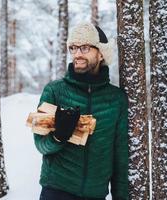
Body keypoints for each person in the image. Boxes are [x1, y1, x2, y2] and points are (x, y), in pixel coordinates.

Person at [34, 22, 129, 200]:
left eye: (84, 47)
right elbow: (40, 144)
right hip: (56, 191)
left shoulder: (116, 99)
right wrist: (58, 137)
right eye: (73, 48)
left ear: (101, 53)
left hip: (96, 194)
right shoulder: (54, 91)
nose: (77, 54)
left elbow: (120, 157)